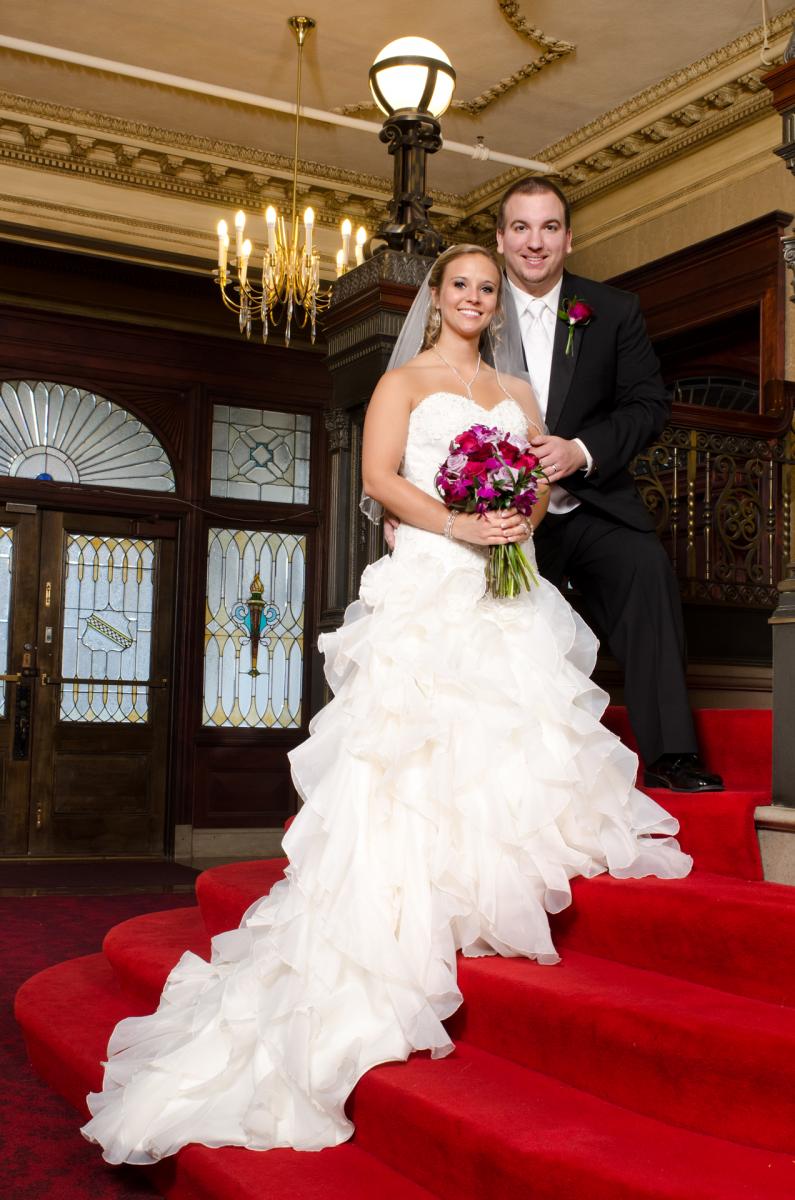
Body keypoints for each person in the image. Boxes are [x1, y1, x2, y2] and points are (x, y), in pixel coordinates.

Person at [81, 245, 691, 1167]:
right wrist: (457, 524)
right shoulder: (400, 383)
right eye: (461, 286)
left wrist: (513, 520)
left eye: (488, 289)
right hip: (431, 576)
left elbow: (533, 491)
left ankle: (485, 883)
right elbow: (378, 482)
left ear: (495, 303)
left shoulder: (521, 400)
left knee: (508, 734)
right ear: (435, 297)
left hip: (502, 580)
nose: (475, 299)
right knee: (409, 749)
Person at [492, 177, 722, 793]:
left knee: (646, 568)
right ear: (500, 238)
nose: (534, 243)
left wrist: (580, 451)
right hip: (503, 514)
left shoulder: (614, 309)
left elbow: (648, 405)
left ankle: (673, 755)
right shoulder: (475, 308)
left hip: (590, 502)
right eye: (520, 228)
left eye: (548, 228)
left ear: (569, 237)